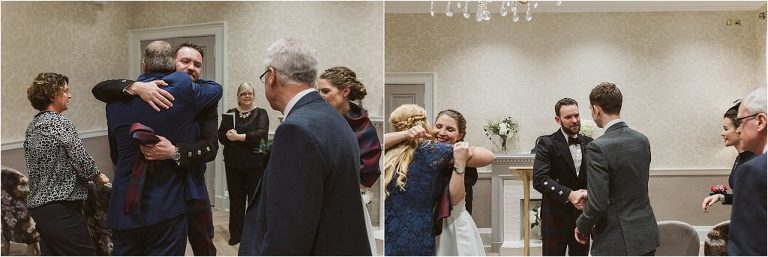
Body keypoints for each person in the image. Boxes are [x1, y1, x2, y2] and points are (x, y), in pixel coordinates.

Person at [238, 38, 371, 255]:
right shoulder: (334, 117)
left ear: (271, 76)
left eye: (264, 77)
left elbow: (287, 235)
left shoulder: (295, 130)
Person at [91, 42, 219, 255]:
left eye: (197, 64)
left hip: (193, 187)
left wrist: (174, 151)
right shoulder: (131, 93)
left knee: (204, 247)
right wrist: (136, 87)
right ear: (172, 64)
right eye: (185, 61)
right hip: (165, 200)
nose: (191, 68)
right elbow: (101, 88)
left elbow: (211, 147)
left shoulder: (205, 100)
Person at [384, 104, 493, 256]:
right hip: (426, 225)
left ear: (460, 135)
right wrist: (406, 134)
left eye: (450, 129)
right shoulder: (425, 152)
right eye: (438, 126)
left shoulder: (452, 155)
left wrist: (461, 159)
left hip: (452, 224)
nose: (442, 133)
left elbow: (489, 156)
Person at [24, 72, 110, 255]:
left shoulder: (33, 125)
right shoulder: (59, 122)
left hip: (41, 208)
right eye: (65, 91)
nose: (69, 95)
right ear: (52, 95)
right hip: (60, 209)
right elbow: (79, 156)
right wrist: (98, 176)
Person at [574, 82, 659, 256]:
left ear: (596, 109)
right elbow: (626, 187)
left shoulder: (598, 147)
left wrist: (581, 225)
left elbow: (598, 205)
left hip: (616, 241)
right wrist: (591, 193)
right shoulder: (642, 140)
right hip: (645, 234)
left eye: (591, 109)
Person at [317, 66, 381, 253]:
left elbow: (367, 172)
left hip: (346, 202)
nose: (320, 95)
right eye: (318, 91)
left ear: (345, 91)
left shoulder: (363, 126)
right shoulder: (317, 119)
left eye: (326, 91)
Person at [533, 97, 592, 256]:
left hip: (582, 217)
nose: (574, 120)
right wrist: (569, 195)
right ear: (557, 120)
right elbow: (540, 180)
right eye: (568, 117)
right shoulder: (547, 143)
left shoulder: (590, 143)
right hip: (555, 216)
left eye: (577, 115)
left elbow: (594, 180)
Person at [217, 82, 268, 246]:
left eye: (250, 93)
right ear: (238, 96)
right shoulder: (230, 114)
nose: (247, 96)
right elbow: (221, 136)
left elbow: (261, 135)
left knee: (254, 201)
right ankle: (236, 234)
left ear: (254, 95)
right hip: (233, 164)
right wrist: (228, 135)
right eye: (243, 93)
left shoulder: (261, 113)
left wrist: (238, 137)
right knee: (236, 200)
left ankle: (254, 235)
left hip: (255, 163)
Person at [728, 86, 767, 256]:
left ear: (760, 122)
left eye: (741, 121)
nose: (738, 129)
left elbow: (746, 250)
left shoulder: (753, 171)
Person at [701, 102, 756, 212]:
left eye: (726, 129)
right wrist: (720, 197)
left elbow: (755, 201)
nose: (722, 133)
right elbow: (744, 196)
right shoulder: (739, 158)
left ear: (740, 130)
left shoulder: (755, 162)